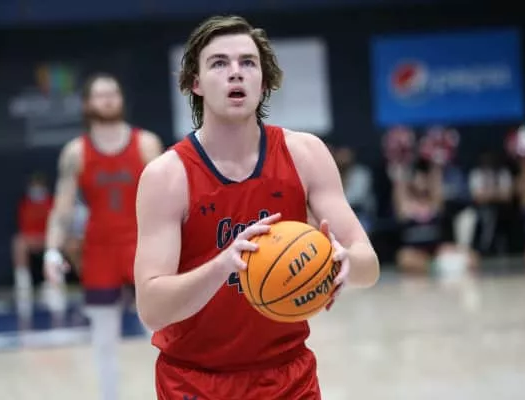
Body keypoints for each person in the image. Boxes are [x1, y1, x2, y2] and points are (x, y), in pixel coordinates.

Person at [133, 15, 379, 400]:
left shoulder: (305, 154)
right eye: (219, 63)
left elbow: (369, 265)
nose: (236, 72)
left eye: (248, 62)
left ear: (263, 82)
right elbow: (151, 308)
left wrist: (342, 263)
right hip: (195, 381)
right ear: (195, 83)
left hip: (288, 376)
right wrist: (223, 265)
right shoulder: (167, 176)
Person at [42, 72, 163, 400]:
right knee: (104, 340)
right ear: (87, 104)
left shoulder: (146, 143)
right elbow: (63, 208)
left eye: (113, 93)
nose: (108, 99)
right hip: (99, 250)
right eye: (100, 94)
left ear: (122, 99)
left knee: (162, 334)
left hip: (141, 246)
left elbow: (169, 198)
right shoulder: (76, 152)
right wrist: (52, 251)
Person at [392, 159, 478, 275]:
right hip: (415, 251)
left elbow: (436, 181)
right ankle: (438, 267)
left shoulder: (435, 203)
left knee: (472, 257)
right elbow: (399, 189)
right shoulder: (406, 206)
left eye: (425, 178)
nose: (421, 181)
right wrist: (402, 167)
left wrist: (435, 161)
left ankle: (440, 266)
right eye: (418, 177)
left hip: (437, 249)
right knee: (404, 257)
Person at [12, 172, 54, 326]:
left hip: (49, 238)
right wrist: (33, 239)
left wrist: (46, 238)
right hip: (32, 239)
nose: (36, 190)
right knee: (19, 243)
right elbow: (24, 227)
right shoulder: (25, 204)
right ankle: (23, 284)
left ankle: (53, 281)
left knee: (55, 244)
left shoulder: (51, 202)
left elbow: (55, 226)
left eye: (39, 186)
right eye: (34, 186)